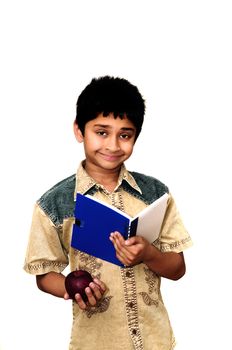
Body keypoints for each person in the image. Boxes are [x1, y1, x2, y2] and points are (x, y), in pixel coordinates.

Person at [24, 76, 193, 350]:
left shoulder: (155, 194)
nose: (113, 145)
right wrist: (70, 287)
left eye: (124, 135)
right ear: (79, 131)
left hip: (155, 340)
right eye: (101, 132)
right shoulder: (55, 203)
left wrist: (148, 254)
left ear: (135, 136)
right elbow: (44, 275)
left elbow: (178, 269)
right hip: (95, 342)